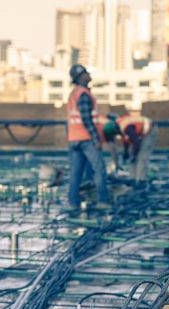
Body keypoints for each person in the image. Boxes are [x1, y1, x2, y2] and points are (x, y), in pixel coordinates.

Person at [65, 64, 111, 210]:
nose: (88, 75)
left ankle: (73, 203)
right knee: (99, 170)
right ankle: (103, 201)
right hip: (86, 139)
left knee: (76, 173)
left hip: (74, 139)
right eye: (85, 73)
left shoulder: (74, 93)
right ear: (80, 77)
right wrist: (96, 138)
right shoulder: (83, 94)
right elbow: (86, 119)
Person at [103, 112, 158, 187]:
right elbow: (126, 140)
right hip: (138, 133)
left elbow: (136, 142)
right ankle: (133, 179)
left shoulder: (126, 127)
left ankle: (141, 181)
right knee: (132, 158)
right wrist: (126, 153)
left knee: (142, 157)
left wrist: (134, 155)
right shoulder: (120, 127)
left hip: (150, 130)